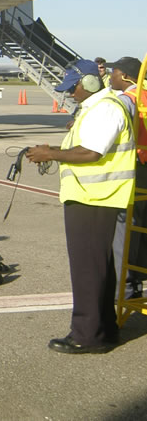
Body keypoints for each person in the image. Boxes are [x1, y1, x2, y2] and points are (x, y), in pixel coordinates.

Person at [26, 58, 136, 354]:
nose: (69, 93)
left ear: (87, 83)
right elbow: (85, 148)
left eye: (72, 88)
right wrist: (50, 150)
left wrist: (51, 155)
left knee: (87, 270)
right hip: (91, 196)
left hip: (95, 197)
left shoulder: (106, 109)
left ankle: (86, 335)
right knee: (98, 268)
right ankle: (105, 329)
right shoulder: (94, 108)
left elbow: (90, 153)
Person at [106, 56, 147, 299]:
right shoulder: (144, 97)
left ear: (124, 76)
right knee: (140, 228)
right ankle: (136, 282)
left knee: (125, 231)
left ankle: (126, 287)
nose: (110, 76)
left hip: (133, 169)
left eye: (114, 72)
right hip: (145, 167)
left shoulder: (125, 101)